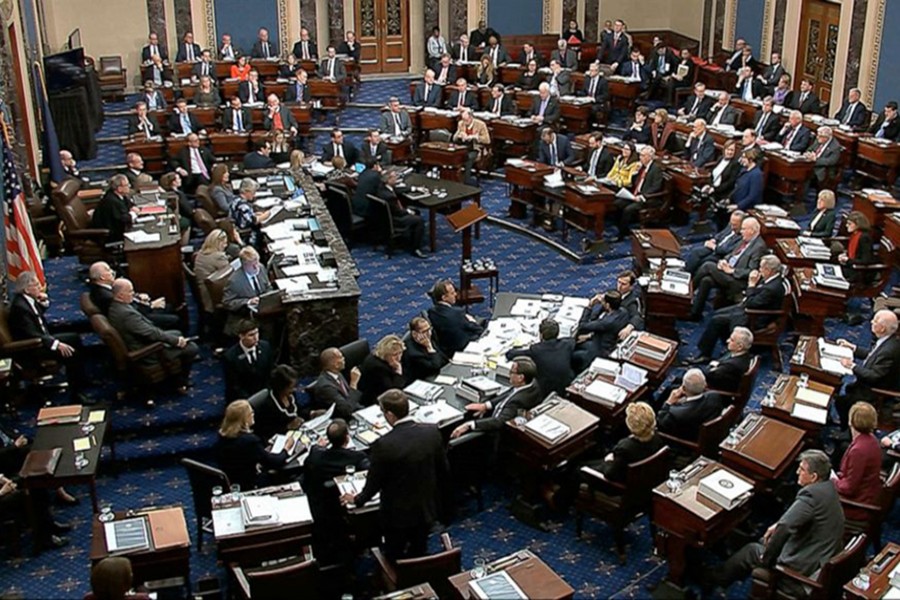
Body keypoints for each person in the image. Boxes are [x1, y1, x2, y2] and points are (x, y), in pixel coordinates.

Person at [707, 450, 844, 596]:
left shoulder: (811, 496)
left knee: (751, 551)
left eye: (802, 469)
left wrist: (767, 559)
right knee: (763, 540)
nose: (797, 472)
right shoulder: (828, 490)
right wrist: (778, 524)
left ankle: (714, 579)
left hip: (799, 574)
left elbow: (785, 527)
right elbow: (791, 520)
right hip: (815, 558)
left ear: (813, 476)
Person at [342, 390, 448, 560]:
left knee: (394, 553)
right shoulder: (432, 432)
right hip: (425, 508)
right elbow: (443, 469)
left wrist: (357, 499)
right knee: (420, 548)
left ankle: (395, 577)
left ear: (390, 414)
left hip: (396, 515)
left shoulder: (383, 445)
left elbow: (374, 483)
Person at [108, 278, 198, 394]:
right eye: (130, 291)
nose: (133, 294)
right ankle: (180, 382)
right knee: (191, 348)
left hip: (140, 340)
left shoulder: (116, 306)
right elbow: (151, 333)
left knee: (177, 333)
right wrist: (175, 341)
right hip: (147, 351)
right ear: (120, 295)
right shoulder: (127, 315)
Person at [8, 272, 87, 400]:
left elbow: (36, 316)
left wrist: (42, 301)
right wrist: (56, 344)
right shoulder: (20, 307)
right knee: (71, 353)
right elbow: (31, 333)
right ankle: (77, 394)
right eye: (37, 285)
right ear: (27, 289)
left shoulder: (26, 300)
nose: (40, 287)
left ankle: (83, 380)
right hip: (32, 348)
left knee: (74, 338)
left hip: (42, 338)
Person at [693, 254, 785, 360]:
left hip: (754, 317)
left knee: (716, 320)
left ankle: (706, 354)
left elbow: (751, 303)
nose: (759, 270)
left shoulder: (772, 288)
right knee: (717, 313)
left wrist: (751, 285)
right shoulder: (771, 279)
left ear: (769, 270)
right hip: (747, 308)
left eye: (761, 268)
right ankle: (726, 345)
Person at [689, 216, 767, 319]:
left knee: (708, 265)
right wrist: (724, 261)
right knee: (706, 280)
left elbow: (752, 272)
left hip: (737, 281)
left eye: (744, 229)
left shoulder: (759, 247)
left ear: (752, 231)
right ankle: (695, 314)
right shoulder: (744, 239)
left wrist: (732, 270)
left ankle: (687, 292)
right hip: (728, 271)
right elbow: (731, 254)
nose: (741, 231)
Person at [835, 310, 900, 427]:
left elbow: (873, 376)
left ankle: (848, 430)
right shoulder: (888, 340)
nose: (871, 322)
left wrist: (852, 366)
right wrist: (853, 347)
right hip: (868, 384)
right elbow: (873, 355)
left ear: (882, 329)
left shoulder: (889, 350)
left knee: (841, 402)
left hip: (873, 391)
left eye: (875, 321)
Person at [451, 357, 542, 437]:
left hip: (492, 433)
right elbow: (509, 392)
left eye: (512, 372)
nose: (509, 374)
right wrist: (486, 406)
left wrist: (470, 425)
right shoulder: (531, 383)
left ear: (520, 378)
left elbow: (499, 422)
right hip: (493, 414)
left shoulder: (518, 401)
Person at [215, 399, 291, 491]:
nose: (253, 414)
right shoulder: (249, 441)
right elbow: (273, 462)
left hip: (232, 482)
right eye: (250, 413)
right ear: (243, 419)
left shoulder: (222, 435)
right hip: (250, 485)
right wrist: (286, 449)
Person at [581, 402, 663, 483]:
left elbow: (609, 474)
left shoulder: (625, 448)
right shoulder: (657, 437)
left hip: (618, 484)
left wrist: (608, 461)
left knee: (578, 468)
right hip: (640, 475)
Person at [89, 261, 179, 329]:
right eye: (108, 270)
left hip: (137, 309)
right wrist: (151, 305)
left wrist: (138, 297)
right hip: (138, 318)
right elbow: (131, 310)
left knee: (169, 306)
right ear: (103, 277)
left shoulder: (100, 288)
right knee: (174, 319)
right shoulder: (107, 296)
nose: (112, 272)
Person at [833, 402, 883, 521]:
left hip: (854, 504)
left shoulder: (859, 450)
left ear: (851, 421)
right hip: (864, 493)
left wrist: (832, 481)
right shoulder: (872, 440)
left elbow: (849, 488)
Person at [506, 318, 575, 396]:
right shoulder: (568, 344)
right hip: (565, 385)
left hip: (544, 390)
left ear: (541, 335)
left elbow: (511, 354)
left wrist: (513, 349)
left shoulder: (537, 350)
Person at [614, 146, 664, 240]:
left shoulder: (656, 169)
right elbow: (634, 183)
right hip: (635, 195)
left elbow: (656, 187)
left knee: (628, 210)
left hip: (648, 199)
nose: (640, 157)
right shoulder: (641, 167)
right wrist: (635, 174)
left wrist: (643, 196)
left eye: (642, 155)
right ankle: (624, 229)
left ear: (649, 157)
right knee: (617, 204)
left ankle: (622, 235)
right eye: (640, 155)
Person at [657, 369, 723, 439]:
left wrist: (669, 402)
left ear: (684, 389)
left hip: (683, 442)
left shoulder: (676, 414)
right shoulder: (714, 396)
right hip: (707, 435)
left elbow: (661, 422)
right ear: (705, 384)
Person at [374, 170, 427, 258]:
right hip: (395, 220)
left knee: (416, 211)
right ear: (388, 180)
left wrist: (414, 188)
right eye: (394, 177)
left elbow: (397, 190)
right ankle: (415, 248)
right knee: (419, 220)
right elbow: (399, 212)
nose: (397, 179)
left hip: (386, 217)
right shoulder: (389, 196)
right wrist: (408, 211)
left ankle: (411, 238)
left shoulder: (382, 188)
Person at [572, 290, 630, 370]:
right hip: (605, 340)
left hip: (599, 349)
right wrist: (589, 335)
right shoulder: (624, 312)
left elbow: (582, 326)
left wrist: (589, 306)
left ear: (608, 305)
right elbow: (594, 318)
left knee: (572, 355)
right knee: (576, 344)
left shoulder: (607, 322)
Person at [223, 245, 272, 336]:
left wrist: (267, 297)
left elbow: (268, 286)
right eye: (252, 265)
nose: (256, 267)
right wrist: (248, 302)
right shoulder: (234, 281)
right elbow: (227, 303)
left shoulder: (261, 268)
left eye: (257, 262)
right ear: (244, 265)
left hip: (264, 310)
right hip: (245, 315)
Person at [427, 279, 485, 356]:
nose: (455, 294)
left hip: (446, 348)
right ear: (444, 297)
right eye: (452, 293)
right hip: (463, 348)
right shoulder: (457, 313)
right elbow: (476, 329)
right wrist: (472, 321)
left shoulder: (431, 312)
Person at [222, 320, 274, 403]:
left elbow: (270, 372)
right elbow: (234, 385)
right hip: (243, 397)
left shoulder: (265, 347)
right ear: (241, 336)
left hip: (264, 392)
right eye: (251, 335)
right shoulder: (230, 356)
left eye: (257, 333)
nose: (256, 337)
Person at [249, 365, 302, 442]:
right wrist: (287, 427)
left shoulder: (291, 395)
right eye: (290, 387)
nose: (294, 389)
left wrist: (310, 413)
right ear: (281, 387)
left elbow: (298, 412)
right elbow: (266, 431)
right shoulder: (268, 405)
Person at [310, 347, 363, 419]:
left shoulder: (337, 374)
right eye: (341, 357)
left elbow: (349, 399)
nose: (344, 358)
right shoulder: (326, 387)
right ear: (335, 364)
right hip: (341, 420)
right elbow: (346, 410)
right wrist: (353, 383)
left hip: (354, 411)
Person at [193, 229, 233, 318]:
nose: (226, 245)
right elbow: (230, 275)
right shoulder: (219, 257)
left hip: (203, 291)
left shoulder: (200, 253)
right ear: (218, 243)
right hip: (213, 296)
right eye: (224, 243)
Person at [358, 335, 407, 406]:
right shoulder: (378, 367)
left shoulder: (383, 358)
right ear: (385, 354)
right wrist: (398, 371)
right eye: (395, 354)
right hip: (374, 401)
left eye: (400, 353)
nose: (399, 358)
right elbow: (393, 392)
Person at [92, 174, 137, 243]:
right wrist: (133, 214)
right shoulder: (111, 201)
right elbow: (122, 219)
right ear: (119, 188)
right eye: (127, 185)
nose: (129, 186)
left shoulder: (118, 194)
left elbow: (127, 203)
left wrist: (132, 207)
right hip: (110, 236)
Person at [402, 316, 446, 384]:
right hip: (424, 379)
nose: (429, 333)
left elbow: (442, 356)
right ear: (414, 334)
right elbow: (436, 366)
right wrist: (429, 347)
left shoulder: (428, 335)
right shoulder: (413, 352)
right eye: (424, 331)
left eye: (429, 329)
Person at [835, 211, 874, 285]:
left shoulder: (864, 238)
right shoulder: (854, 235)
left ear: (858, 225)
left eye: (849, 224)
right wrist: (844, 255)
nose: (846, 225)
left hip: (857, 270)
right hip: (850, 266)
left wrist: (848, 260)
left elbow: (865, 260)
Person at [86, 557, 151, 600]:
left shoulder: (89, 598)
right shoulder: (142, 598)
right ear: (124, 586)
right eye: (129, 574)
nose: (131, 575)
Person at [454, 108, 491, 184]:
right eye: (463, 120)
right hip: (463, 148)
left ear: (471, 118)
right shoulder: (461, 123)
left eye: (466, 120)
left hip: (476, 149)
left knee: (468, 157)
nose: (464, 122)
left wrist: (475, 137)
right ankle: (455, 179)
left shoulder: (481, 124)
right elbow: (454, 138)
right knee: (454, 156)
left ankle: (466, 182)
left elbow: (487, 140)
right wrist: (459, 135)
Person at [702, 139, 742, 205]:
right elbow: (712, 173)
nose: (729, 152)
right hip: (712, 189)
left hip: (721, 194)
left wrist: (715, 189)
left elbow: (729, 183)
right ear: (724, 150)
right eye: (728, 149)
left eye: (732, 150)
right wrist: (709, 185)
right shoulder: (720, 158)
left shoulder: (735, 164)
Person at [730, 147, 765, 211]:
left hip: (746, 208)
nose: (742, 160)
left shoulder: (756, 175)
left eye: (744, 158)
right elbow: (737, 187)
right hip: (735, 202)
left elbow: (752, 196)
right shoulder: (743, 169)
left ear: (751, 159)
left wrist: (738, 206)